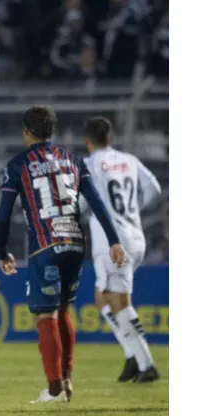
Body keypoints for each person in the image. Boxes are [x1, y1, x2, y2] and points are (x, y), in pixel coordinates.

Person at [0, 105, 126, 404]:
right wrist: (114, 240)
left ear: (26, 131)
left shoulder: (18, 165)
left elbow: (3, 217)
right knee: (64, 310)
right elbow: (97, 202)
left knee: (46, 313)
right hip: (76, 243)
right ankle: (66, 382)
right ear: (51, 130)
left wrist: (2, 251)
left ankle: (54, 388)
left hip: (45, 245)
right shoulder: (73, 160)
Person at [81, 116, 162, 383]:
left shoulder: (89, 164)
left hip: (111, 242)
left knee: (119, 302)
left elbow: (80, 203)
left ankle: (146, 364)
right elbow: (154, 189)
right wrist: (131, 211)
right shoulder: (130, 160)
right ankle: (131, 357)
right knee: (102, 298)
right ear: (111, 138)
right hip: (135, 236)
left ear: (87, 141)